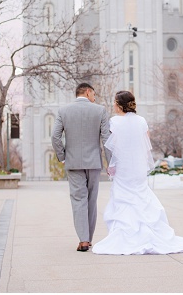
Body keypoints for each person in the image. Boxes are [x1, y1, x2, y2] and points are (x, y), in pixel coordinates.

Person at [92, 91, 183, 255]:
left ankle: (126, 233)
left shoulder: (114, 122)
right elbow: (146, 145)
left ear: (120, 105)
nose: (113, 105)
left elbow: (112, 147)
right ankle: (149, 230)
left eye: (115, 102)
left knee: (123, 198)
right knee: (141, 195)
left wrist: (112, 165)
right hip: (137, 168)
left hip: (124, 167)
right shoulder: (141, 121)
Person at [51, 82, 111, 252]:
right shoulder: (100, 111)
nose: (94, 97)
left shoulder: (63, 111)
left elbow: (55, 136)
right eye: (94, 94)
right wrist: (110, 162)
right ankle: (89, 239)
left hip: (73, 162)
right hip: (94, 163)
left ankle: (83, 240)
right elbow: (107, 139)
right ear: (88, 92)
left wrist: (62, 156)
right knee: (92, 200)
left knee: (78, 201)